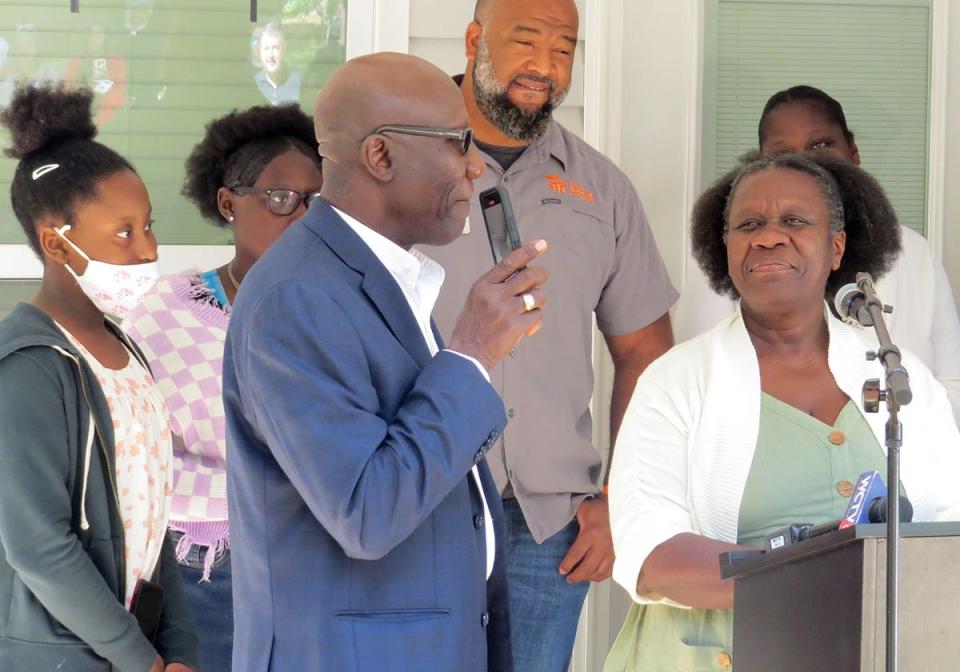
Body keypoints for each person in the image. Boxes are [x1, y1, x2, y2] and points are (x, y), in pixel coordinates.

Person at [224, 52, 549, 672]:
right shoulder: (295, 296)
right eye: (460, 143)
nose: (477, 166)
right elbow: (366, 512)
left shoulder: (376, 274)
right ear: (380, 156)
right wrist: (472, 354)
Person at [604, 151, 960, 671]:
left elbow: (948, 532)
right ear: (725, 248)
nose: (769, 237)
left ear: (837, 247)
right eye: (749, 224)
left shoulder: (900, 380)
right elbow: (652, 557)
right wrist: (824, 574)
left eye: (795, 221)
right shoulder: (674, 382)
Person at [421, 1, 678, 668]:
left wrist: (618, 499)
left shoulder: (603, 189)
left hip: (548, 526)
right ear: (476, 40)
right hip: (417, 504)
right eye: (525, 41)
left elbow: (645, 352)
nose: (545, 65)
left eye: (564, 48)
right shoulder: (404, 161)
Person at [0, 83, 197, 671]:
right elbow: (39, 546)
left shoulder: (125, 352)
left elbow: (151, 518)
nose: (147, 249)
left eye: (148, 226)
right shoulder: (30, 366)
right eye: (123, 231)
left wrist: (177, 650)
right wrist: (140, 658)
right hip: (63, 656)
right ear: (56, 243)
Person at [123, 104, 322, 671]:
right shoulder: (167, 310)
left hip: (313, 560)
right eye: (283, 199)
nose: (303, 215)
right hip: (201, 569)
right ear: (229, 203)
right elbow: (136, 448)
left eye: (317, 200)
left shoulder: (337, 307)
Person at [673, 85, 960, 425]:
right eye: (783, 153)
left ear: (853, 150)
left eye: (821, 145)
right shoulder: (735, 254)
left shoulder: (915, 253)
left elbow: (951, 384)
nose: (806, 162)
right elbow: (696, 378)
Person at [253, 23, 301, 106]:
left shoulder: (299, 82)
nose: (270, 55)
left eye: (275, 48)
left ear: (283, 49)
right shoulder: (253, 84)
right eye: (266, 48)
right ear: (260, 51)